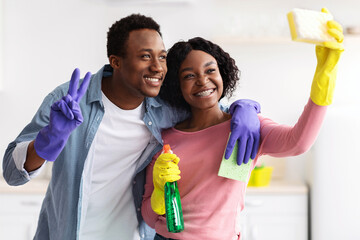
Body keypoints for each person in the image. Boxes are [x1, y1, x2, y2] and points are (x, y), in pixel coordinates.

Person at [2, 14, 261, 240]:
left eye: (162, 57)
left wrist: (245, 108)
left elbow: (212, 108)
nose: (158, 67)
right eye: (145, 57)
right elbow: (12, 174)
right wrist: (44, 144)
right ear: (115, 61)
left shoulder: (165, 108)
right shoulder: (70, 100)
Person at [141, 9, 344, 240]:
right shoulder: (164, 139)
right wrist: (158, 193)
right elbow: (149, 217)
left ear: (222, 74)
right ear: (176, 85)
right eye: (189, 76)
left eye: (210, 70)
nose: (202, 81)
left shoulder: (246, 128)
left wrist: (324, 76)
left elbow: (299, 143)